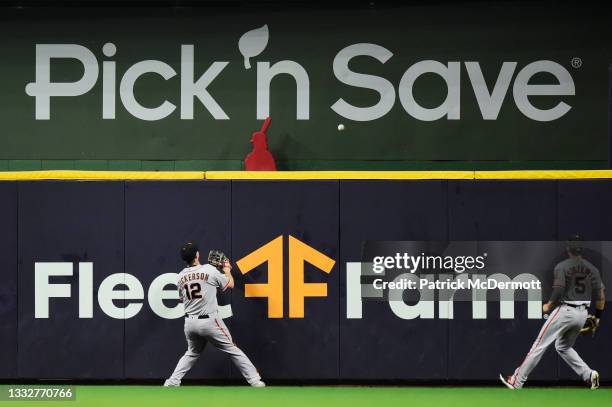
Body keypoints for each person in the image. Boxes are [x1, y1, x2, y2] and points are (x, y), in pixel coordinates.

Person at [500, 235, 605, 389]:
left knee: (539, 345)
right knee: (563, 347)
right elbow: (601, 296)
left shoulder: (562, 266)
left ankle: (516, 381)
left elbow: (559, 289)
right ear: (581, 249)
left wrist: (549, 305)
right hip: (583, 314)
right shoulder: (592, 268)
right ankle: (589, 375)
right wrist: (597, 317)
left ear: (568, 248)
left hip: (566, 311)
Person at [164, 242, 265, 387]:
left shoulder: (180, 277)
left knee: (192, 353)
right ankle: (255, 380)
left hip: (190, 324)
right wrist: (227, 269)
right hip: (209, 322)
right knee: (232, 348)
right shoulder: (209, 270)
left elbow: (181, 298)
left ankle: (172, 381)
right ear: (197, 255)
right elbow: (230, 284)